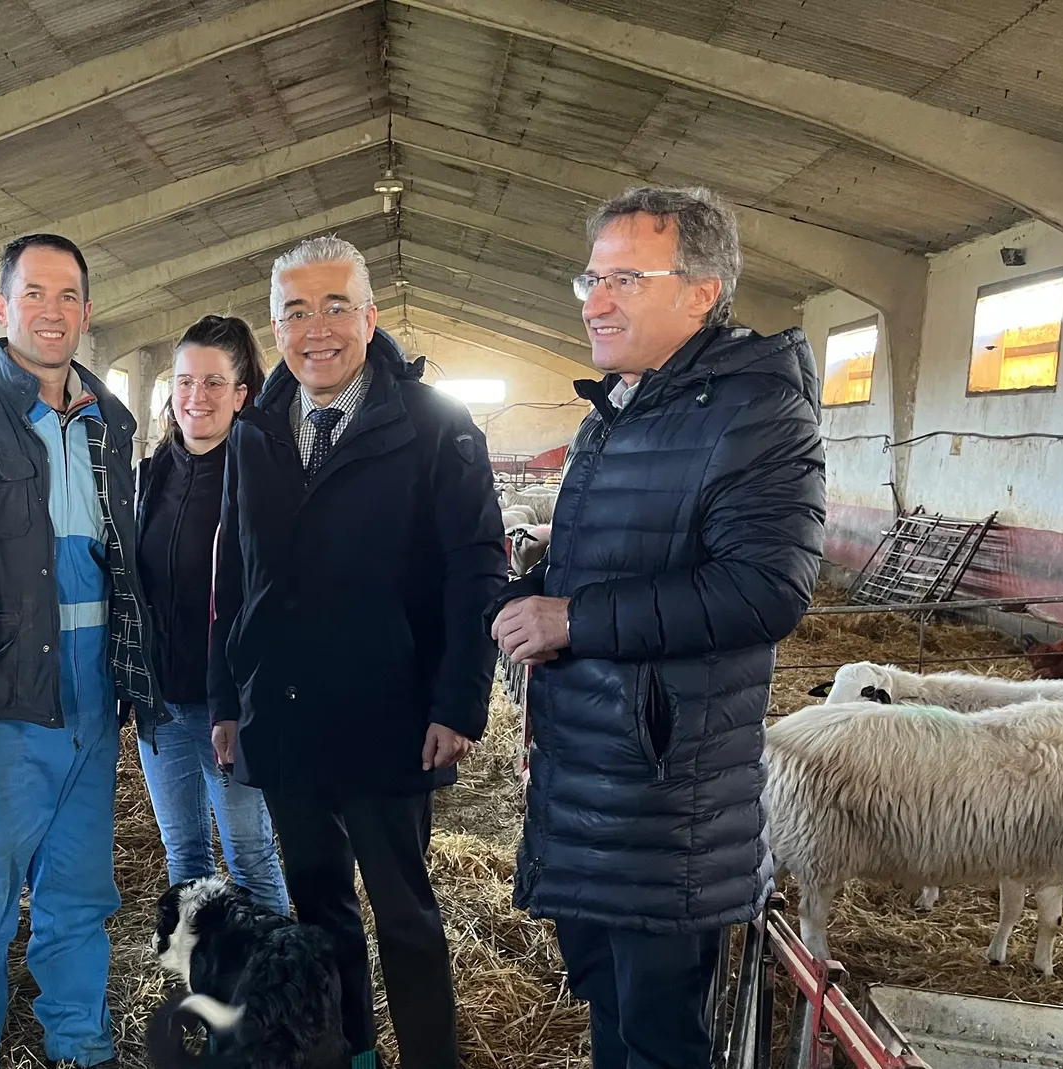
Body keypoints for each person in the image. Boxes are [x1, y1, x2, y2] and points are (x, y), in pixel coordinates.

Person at [488, 186, 826, 1069]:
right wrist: (526, 589)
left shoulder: (755, 412)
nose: (597, 301)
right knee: (614, 1017)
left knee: (661, 1038)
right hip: (592, 786)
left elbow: (766, 588)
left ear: (702, 292)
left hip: (666, 806)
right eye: (591, 280)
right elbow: (614, 566)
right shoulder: (626, 409)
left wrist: (575, 616)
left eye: (625, 280)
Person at [209, 236, 508, 1069]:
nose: (317, 329)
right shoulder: (256, 429)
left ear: (371, 315)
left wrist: (457, 700)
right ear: (274, 327)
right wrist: (227, 697)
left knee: (405, 912)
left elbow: (474, 562)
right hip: (288, 714)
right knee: (319, 911)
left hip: (393, 713)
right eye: (296, 311)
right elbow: (235, 571)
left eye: (336, 305)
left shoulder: (433, 425)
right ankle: (349, 1054)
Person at [0, 233, 164, 1069]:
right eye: (34, 294)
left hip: (93, 695)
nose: (51, 311)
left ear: (88, 312)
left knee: (79, 888)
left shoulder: (113, 418)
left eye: (67, 297)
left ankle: (82, 1041)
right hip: (0, 692)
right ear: (1, 307)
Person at [134, 315, 286, 914]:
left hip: (232, 704)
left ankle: (271, 994)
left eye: (215, 383)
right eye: (185, 381)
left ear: (242, 393)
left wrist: (245, 701)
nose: (197, 397)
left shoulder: (260, 478)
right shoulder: (151, 477)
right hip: (162, 703)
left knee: (249, 852)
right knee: (185, 851)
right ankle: (200, 983)